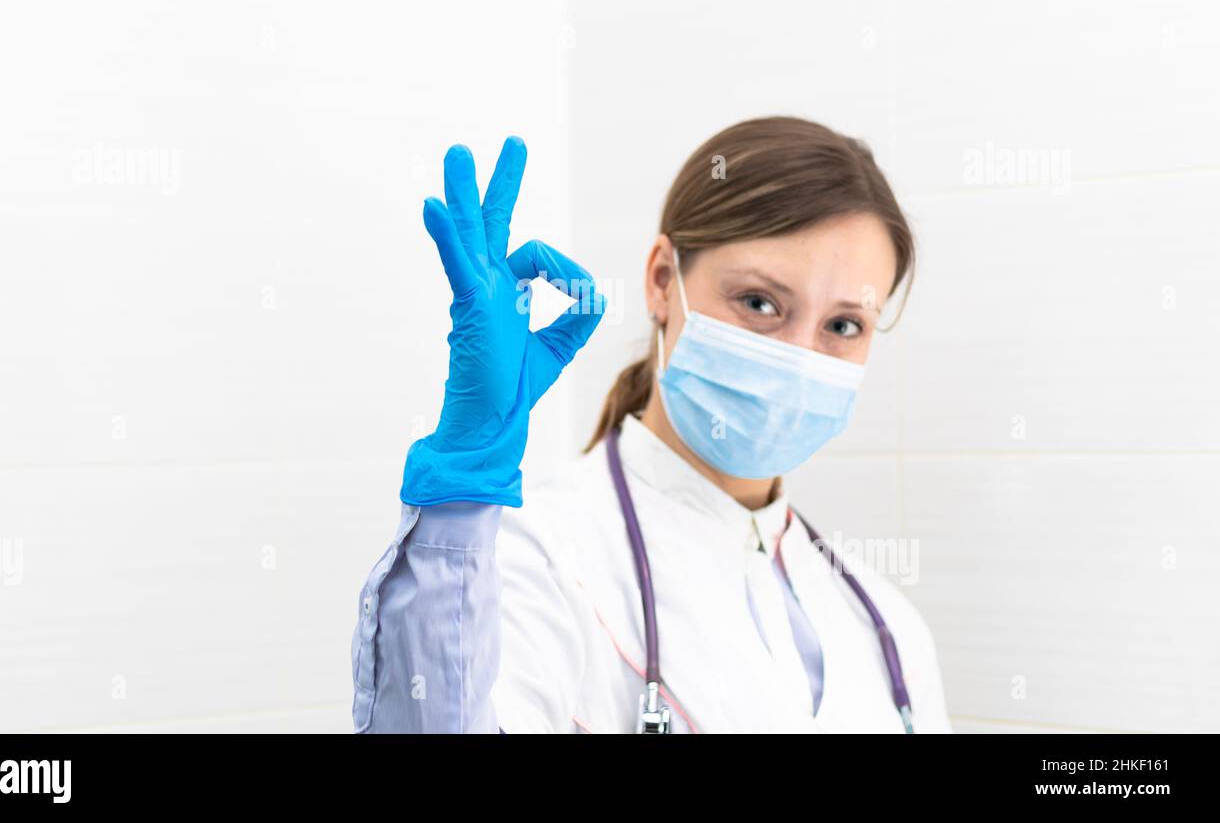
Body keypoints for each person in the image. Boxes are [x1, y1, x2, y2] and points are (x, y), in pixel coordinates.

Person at [352, 117, 952, 733]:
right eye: (760, 303)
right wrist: (462, 490)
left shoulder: (889, 630)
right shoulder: (536, 561)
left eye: (844, 325)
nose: (799, 354)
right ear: (663, 281)